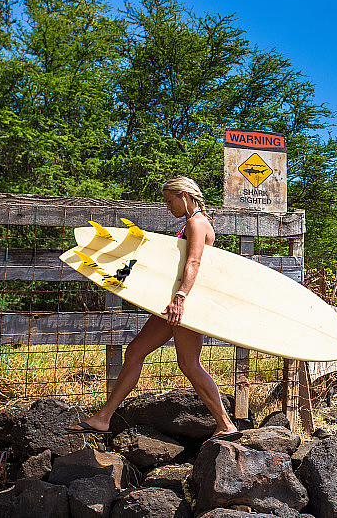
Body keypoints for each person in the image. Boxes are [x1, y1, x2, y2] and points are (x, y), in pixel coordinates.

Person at [68, 177, 240, 442]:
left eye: (170, 201)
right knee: (137, 351)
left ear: (184, 196)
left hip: (183, 304)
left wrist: (181, 297)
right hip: (173, 304)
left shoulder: (196, 223)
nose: (168, 207)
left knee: (189, 364)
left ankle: (226, 424)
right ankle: (103, 418)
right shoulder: (194, 222)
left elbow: (194, 262)